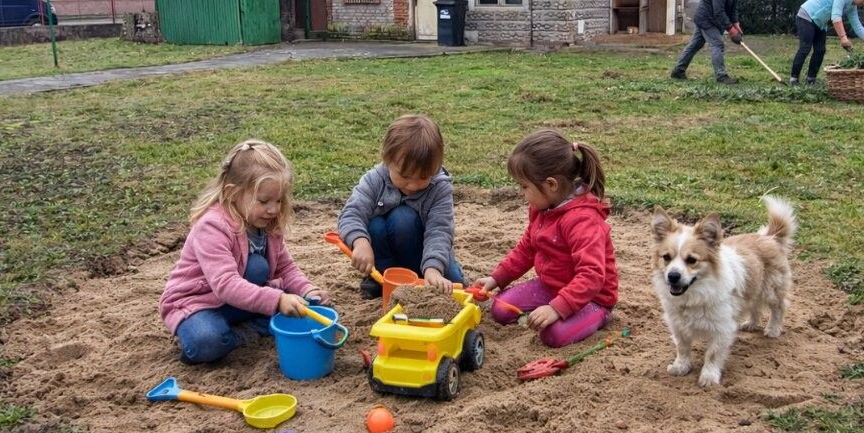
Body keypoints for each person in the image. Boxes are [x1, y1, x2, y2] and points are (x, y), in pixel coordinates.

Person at [159, 139, 331, 365]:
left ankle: (245, 327)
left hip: (237, 303)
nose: (273, 209)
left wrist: (307, 289)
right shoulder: (213, 226)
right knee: (206, 341)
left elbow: (285, 267)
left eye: (279, 200)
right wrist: (278, 299)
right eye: (264, 201)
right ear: (233, 193)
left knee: (282, 287)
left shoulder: (267, 223)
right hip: (198, 304)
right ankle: (242, 333)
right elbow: (226, 284)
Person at [471, 129, 619, 348]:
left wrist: (556, 308)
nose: (522, 193)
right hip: (552, 286)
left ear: (551, 185)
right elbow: (526, 249)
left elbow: (592, 276)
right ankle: (554, 308)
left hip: (592, 298)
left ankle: (598, 317)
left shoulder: (583, 221)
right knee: (501, 309)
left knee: (552, 335)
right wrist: (497, 279)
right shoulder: (542, 207)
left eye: (524, 186)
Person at [339, 114, 465, 297]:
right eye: (405, 176)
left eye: (423, 177)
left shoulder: (439, 187)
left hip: (423, 251)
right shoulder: (374, 180)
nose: (413, 185)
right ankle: (382, 275)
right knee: (377, 224)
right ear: (387, 160)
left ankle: (420, 272)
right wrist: (360, 242)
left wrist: (433, 268)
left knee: (455, 284)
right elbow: (351, 213)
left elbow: (440, 231)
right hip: (385, 253)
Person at [670, 0, 759, 84]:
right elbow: (719, 11)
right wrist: (731, 30)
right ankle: (721, 76)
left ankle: (678, 71)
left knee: (695, 45)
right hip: (706, 19)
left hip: (714, 20)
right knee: (718, 44)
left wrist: (736, 24)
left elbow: (733, 8)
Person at [790, 0, 864, 85]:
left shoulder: (852, 6)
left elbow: (857, 25)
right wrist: (843, 38)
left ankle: (811, 80)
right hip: (806, 16)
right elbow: (836, 18)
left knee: (820, 50)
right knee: (805, 48)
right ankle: (794, 79)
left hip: (820, 23)